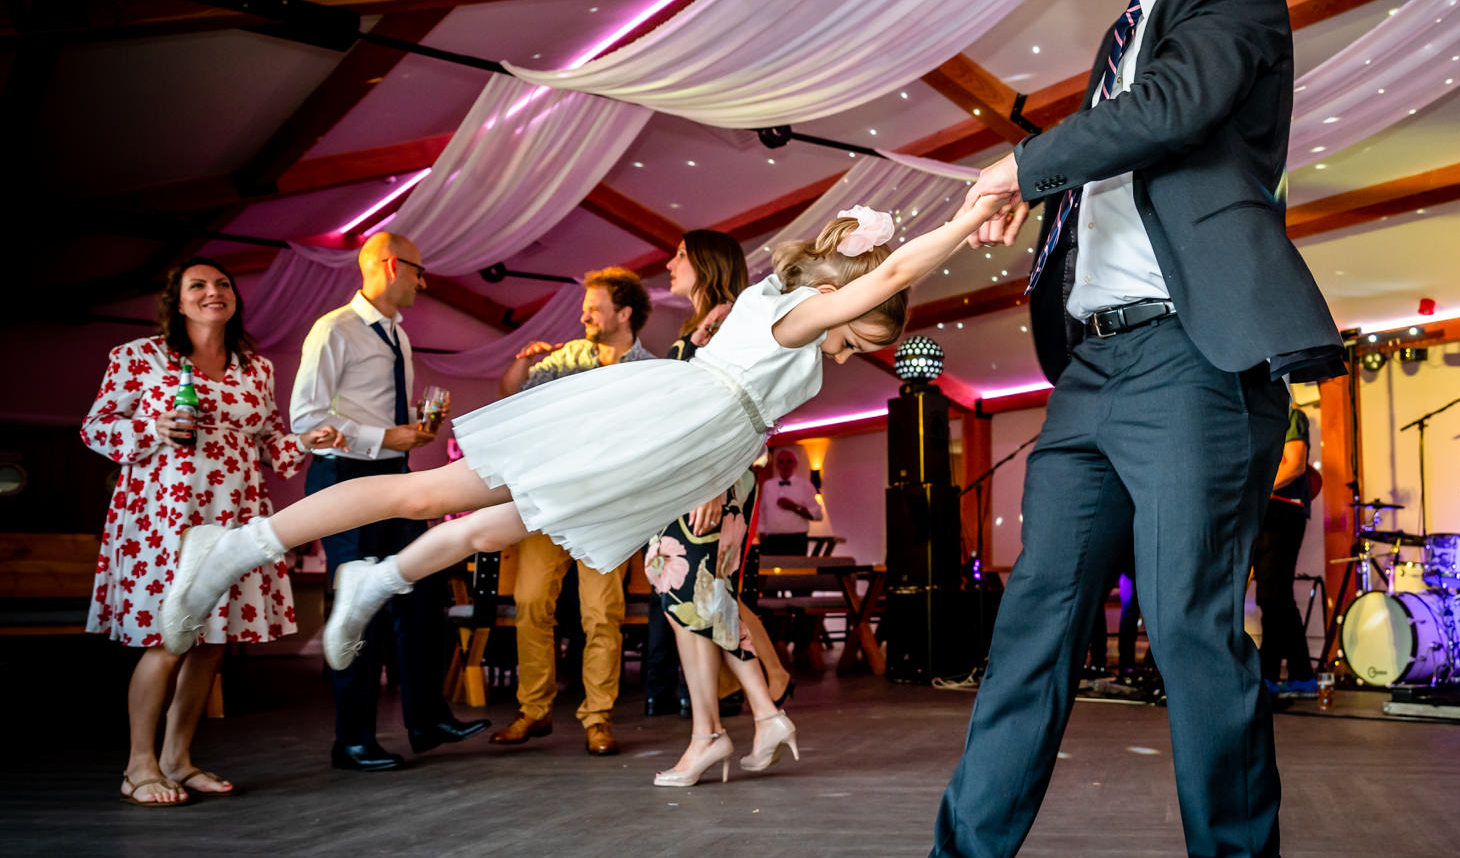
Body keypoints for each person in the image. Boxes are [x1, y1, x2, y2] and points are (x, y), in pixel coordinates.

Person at [812, 0, 1344, 858]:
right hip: (1094, 375)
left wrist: (1023, 164)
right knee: (1029, 629)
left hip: (1192, 366)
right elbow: (1121, 151)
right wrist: (1043, 195)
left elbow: (1175, 114)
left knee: (1190, 634)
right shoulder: (1124, 33)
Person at [155, 198, 1007, 698]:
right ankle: (233, 547)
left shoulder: (793, 331)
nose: (851, 352)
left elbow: (750, 421)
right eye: (859, 336)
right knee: (429, 493)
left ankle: (374, 579)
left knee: (500, 523)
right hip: (645, 423)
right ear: (841, 297)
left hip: (672, 448)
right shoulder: (789, 313)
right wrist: (969, 216)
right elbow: (889, 277)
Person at [82, 262, 344, 805]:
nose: (212, 292)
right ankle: (139, 766)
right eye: (197, 286)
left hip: (235, 512)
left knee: (209, 645)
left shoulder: (256, 368)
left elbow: (272, 445)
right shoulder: (140, 358)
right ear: (177, 302)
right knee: (167, 637)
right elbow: (97, 427)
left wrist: (311, 439)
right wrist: (150, 427)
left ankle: (177, 759)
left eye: (222, 284)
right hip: (164, 517)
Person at [283, 231, 489, 771]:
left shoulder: (397, 334)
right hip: (344, 477)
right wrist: (382, 438)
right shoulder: (334, 330)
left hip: (394, 477)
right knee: (359, 609)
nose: (424, 282)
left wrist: (408, 436)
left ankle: (425, 720)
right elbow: (305, 420)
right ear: (392, 265)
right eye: (420, 271)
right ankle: (351, 740)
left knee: (423, 593)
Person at [643, 229, 801, 786]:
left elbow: (743, 409)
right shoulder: (708, 320)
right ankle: (757, 715)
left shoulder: (728, 318)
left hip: (709, 480)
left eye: (680, 255)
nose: (668, 263)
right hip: (697, 478)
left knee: (687, 592)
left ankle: (719, 732)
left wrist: (714, 482)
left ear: (706, 262)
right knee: (698, 599)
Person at [487, 267, 658, 758]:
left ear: (623, 314)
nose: (584, 313)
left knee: (602, 613)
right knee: (531, 602)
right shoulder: (567, 358)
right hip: (552, 501)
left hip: (608, 510)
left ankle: (598, 717)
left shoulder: (649, 372)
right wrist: (522, 364)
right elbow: (509, 391)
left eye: (594, 306)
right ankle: (534, 710)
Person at [1254, 404, 1316, 695]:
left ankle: (1268, 675)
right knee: (1276, 598)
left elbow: (1294, 464)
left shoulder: (1290, 414)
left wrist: (1253, 489)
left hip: (1282, 512)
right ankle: (1301, 675)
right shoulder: (1259, 417)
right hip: (1265, 513)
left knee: (1273, 597)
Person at [758, 446, 825, 555]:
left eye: (789, 461)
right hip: (771, 540)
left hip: (796, 540)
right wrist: (761, 531)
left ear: (795, 464)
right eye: (781, 461)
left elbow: (817, 515)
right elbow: (762, 511)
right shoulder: (768, 485)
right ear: (777, 465)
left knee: (795, 571)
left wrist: (794, 507)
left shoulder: (805, 486)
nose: (785, 465)